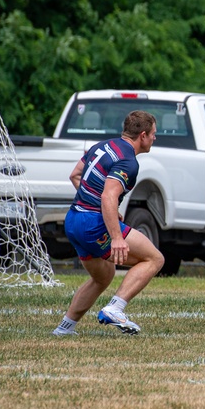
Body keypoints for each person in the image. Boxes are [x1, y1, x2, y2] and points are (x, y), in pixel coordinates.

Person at [52, 110, 164, 336]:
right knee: (154, 258)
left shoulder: (102, 146)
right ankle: (116, 308)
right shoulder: (128, 161)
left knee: (103, 276)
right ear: (142, 135)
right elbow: (108, 196)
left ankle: (65, 328)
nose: (155, 138)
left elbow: (75, 175)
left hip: (74, 220)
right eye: (153, 134)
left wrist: (104, 208)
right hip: (94, 223)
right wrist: (116, 237)